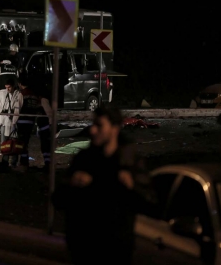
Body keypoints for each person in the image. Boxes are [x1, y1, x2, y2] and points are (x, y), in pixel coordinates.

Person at [52, 106, 156, 265]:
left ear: (114, 128)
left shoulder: (130, 162)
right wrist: (73, 185)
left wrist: (130, 187)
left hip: (116, 250)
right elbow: (57, 199)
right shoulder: (84, 160)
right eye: (92, 124)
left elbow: (149, 205)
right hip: (84, 250)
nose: (92, 130)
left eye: (99, 125)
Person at [0, 78, 23, 168]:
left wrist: (14, 123)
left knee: (14, 143)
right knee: (4, 144)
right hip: (3, 121)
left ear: (13, 87)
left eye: (9, 87)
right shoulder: (1, 93)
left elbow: (17, 110)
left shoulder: (18, 95)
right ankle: (5, 162)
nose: (7, 89)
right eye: (6, 87)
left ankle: (13, 162)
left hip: (12, 122)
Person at [15, 77, 39, 172]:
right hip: (30, 121)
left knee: (21, 143)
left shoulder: (22, 94)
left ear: (20, 84)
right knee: (26, 142)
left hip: (22, 121)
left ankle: (23, 164)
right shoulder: (34, 94)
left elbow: (17, 109)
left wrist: (14, 121)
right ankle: (25, 163)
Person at [36, 87, 53, 171]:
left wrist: (50, 125)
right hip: (42, 127)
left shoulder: (43, 100)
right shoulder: (40, 101)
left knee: (46, 146)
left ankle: (48, 164)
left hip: (45, 127)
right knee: (44, 146)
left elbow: (49, 113)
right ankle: (47, 163)